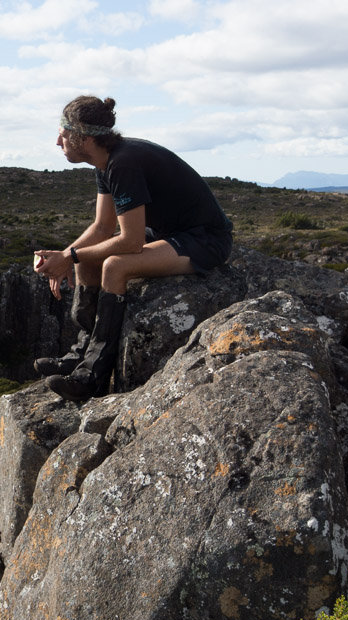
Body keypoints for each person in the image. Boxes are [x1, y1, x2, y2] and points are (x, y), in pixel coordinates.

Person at [33, 95, 232, 402]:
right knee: (87, 260)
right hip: (168, 233)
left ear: (82, 138)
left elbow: (130, 242)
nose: (58, 141)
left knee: (114, 266)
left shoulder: (123, 163)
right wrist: (62, 258)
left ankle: (92, 378)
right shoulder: (106, 160)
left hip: (204, 239)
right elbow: (102, 227)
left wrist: (69, 257)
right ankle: (82, 353)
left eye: (63, 133)